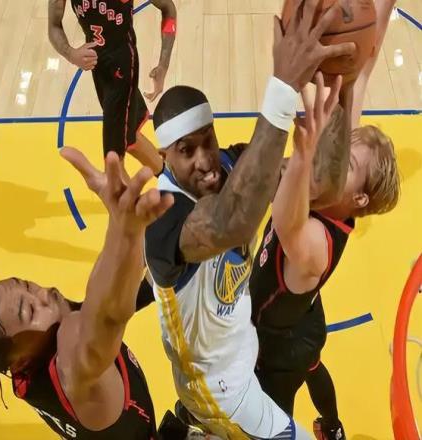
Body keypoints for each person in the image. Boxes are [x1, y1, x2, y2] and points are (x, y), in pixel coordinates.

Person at [144, 2, 356, 438]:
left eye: (207, 141)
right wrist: (282, 87)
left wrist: (343, 87)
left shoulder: (234, 166)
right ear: (164, 157)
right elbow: (233, 222)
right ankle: (199, 425)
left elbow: (324, 184)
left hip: (243, 346)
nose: (204, 161)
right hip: (218, 388)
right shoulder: (164, 215)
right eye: (186, 151)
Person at [0, 149, 175, 439]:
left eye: (28, 286)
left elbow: (97, 302)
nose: (43, 296)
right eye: (29, 311)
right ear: (20, 361)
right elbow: (106, 317)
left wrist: (145, 269)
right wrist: (127, 233)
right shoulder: (74, 366)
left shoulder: (34, 355)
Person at [249, 3, 401, 437]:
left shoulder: (316, 244)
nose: (336, 155)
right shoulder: (337, 187)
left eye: (347, 161)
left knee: (268, 423)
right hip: (304, 319)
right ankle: (332, 426)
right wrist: (378, 13)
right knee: (316, 366)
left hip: (278, 348)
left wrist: (301, 146)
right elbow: (363, 69)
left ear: (359, 198)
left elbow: (283, 218)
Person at [48, 0, 177, 175]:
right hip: (99, 68)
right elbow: (54, 25)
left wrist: (163, 65)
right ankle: (172, 177)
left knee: (113, 163)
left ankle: (164, 184)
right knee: (130, 138)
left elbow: (168, 8)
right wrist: (70, 53)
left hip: (122, 68)